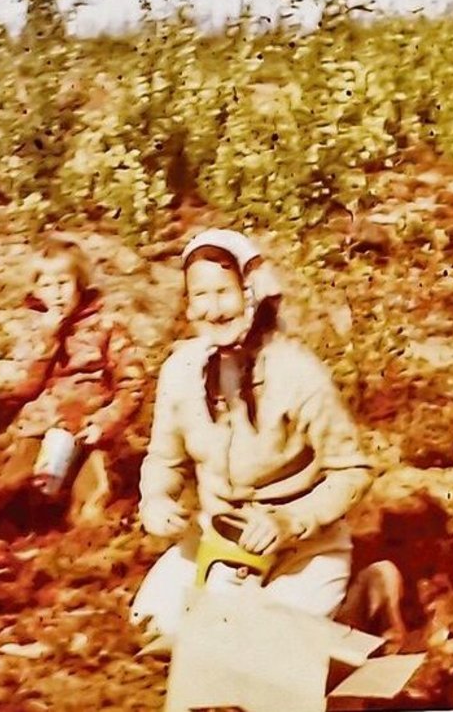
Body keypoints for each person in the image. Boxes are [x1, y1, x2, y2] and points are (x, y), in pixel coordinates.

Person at [131, 229, 374, 642]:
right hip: (217, 542)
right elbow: (164, 460)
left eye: (224, 292)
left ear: (250, 293)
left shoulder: (297, 371)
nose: (214, 309)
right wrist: (155, 499)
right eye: (200, 295)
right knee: (155, 630)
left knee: (261, 645)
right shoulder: (181, 369)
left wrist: (290, 520)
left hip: (301, 548)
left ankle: (363, 595)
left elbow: (353, 471)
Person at [0, 238, 146, 534]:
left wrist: (105, 422)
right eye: (48, 286)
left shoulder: (106, 325)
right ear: (37, 289)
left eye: (64, 283)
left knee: (89, 507)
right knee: (11, 492)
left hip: (87, 428)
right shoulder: (32, 327)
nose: (57, 294)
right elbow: (22, 387)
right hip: (38, 426)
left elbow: (134, 382)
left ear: (79, 283)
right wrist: (47, 340)